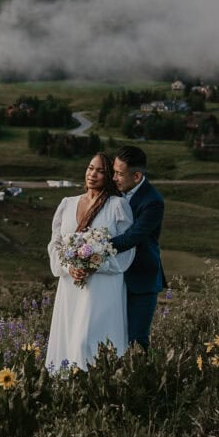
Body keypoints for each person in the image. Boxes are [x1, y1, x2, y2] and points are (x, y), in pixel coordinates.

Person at [45, 153, 136, 371]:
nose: (92, 174)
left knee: (88, 340)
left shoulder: (117, 206)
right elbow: (55, 245)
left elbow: (126, 250)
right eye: (90, 168)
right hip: (70, 286)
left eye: (100, 171)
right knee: (69, 338)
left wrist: (94, 265)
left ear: (109, 176)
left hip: (101, 287)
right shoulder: (67, 204)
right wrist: (69, 267)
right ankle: (66, 389)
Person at [110, 145, 165, 350]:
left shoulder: (153, 202)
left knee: (136, 341)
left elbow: (133, 237)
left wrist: (96, 247)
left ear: (136, 176)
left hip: (142, 280)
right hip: (113, 277)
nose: (114, 178)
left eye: (119, 173)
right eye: (113, 171)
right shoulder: (112, 192)